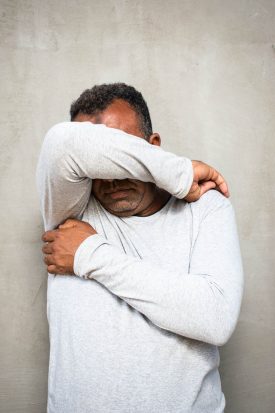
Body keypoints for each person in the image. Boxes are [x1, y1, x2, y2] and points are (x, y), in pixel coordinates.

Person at [36, 83, 243, 413]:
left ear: (152, 147)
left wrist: (89, 253)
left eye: (124, 157)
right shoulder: (71, 206)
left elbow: (215, 317)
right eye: (101, 160)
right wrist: (177, 171)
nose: (112, 178)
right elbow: (62, 143)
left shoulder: (206, 206)